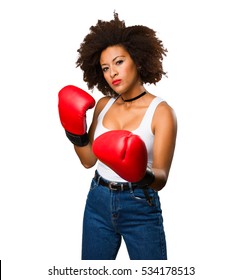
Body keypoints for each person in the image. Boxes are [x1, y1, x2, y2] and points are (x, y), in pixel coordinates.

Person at [58, 12, 177, 260]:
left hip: (140, 205)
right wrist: (74, 131)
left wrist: (139, 172)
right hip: (98, 201)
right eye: (105, 67)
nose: (112, 72)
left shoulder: (161, 112)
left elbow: (162, 178)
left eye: (119, 62)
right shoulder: (103, 105)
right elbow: (88, 160)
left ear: (138, 60)